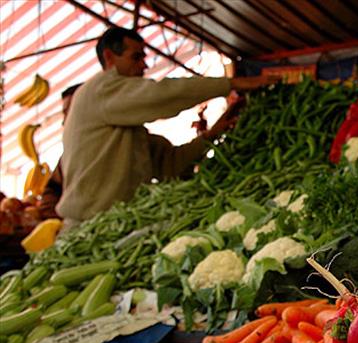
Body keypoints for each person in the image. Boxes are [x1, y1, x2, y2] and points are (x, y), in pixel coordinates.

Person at [57, 27, 276, 228]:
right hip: (89, 226)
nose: (144, 65)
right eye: (136, 57)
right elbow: (161, 94)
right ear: (109, 57)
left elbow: (169, 164)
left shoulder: (124, 125)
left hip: (116, 223)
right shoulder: (99, 89)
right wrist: (231, 84)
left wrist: (211, 135)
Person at [38, 83, 82, 219]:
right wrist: (54, 220)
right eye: (64, 113)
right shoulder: (70, 153)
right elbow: (52, 189)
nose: (64, 122)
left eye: (69, 112)